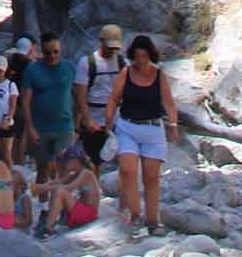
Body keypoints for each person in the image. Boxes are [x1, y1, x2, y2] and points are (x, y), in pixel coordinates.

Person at [104, 33, 179, 239]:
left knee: (151, 177)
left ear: (150, 56)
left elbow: (169, 103)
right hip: (127, 127)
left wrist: (173, 124)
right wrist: (108, 120)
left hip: (153, 129)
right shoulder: (125, 73)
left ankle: (153, 221)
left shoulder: (159, 75)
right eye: (137, 57)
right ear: (132, 56)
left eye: (144, 57)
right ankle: (136, 215)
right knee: (127, 171)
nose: (140, 61)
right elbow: (113, 98)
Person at [20, 32, 77, 187]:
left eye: (55, 52)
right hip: (41, 128)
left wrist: (77, 125)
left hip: (64, 127)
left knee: (64, 168)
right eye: (47, 52)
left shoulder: (69, 68)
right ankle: (44, 208)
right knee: (43, 169)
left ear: (60, 49)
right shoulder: (32, 70)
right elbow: (25, 101)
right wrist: (30, 128)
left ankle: (63, 206)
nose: (52, 56)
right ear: (41, 51)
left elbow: (78, 96)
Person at [73, 23, 124, 167]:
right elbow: (80, 93)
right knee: (93, 161)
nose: (112, 50)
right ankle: (94, 187)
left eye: (115, 48)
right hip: (94, 121)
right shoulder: (87, 63)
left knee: (122, 160)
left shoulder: (121, 63)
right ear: (101, 41)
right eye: (109, 47)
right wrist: (87, 119)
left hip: (117, 120)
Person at [33, 140, 101, 239]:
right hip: (82, 212)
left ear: (75, 160)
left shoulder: (86, 173)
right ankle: (51, 220)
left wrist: (43, 188)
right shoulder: (76, 173)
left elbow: (69, 187)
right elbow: (57, 182)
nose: (63, 164)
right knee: (57, 190)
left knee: (60, 192)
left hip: (89, 213)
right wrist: (42, 186)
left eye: (66, 161)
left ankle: (48, 228)